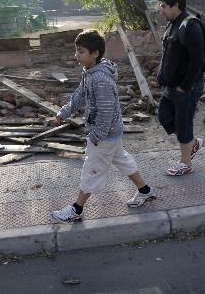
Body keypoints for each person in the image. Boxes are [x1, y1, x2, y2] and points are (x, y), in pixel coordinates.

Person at [51, 29, 156, 222]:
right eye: (76, 51)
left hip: (104, 135)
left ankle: (76, 210)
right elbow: (79, 94)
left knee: (91, 170)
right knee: (123, 160)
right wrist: (64, 112)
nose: (76, 55)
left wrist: (96, 135)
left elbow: (107, 112)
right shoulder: (90, 72)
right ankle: (145, 191)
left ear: (95, 53)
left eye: (81, 51)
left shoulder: (101, 79)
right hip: (112, 133)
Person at [157, 0, 205, 176]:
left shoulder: (191, 26)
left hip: (187, 87)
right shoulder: (173, 24)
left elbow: (197, 60)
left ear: (176, 5)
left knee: (183, 123)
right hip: (171, 86)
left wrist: (185, 86)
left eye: (164, 6)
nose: (161, 10)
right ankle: (192, 144)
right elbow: (169, 54)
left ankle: (185, 164)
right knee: (163, 115)